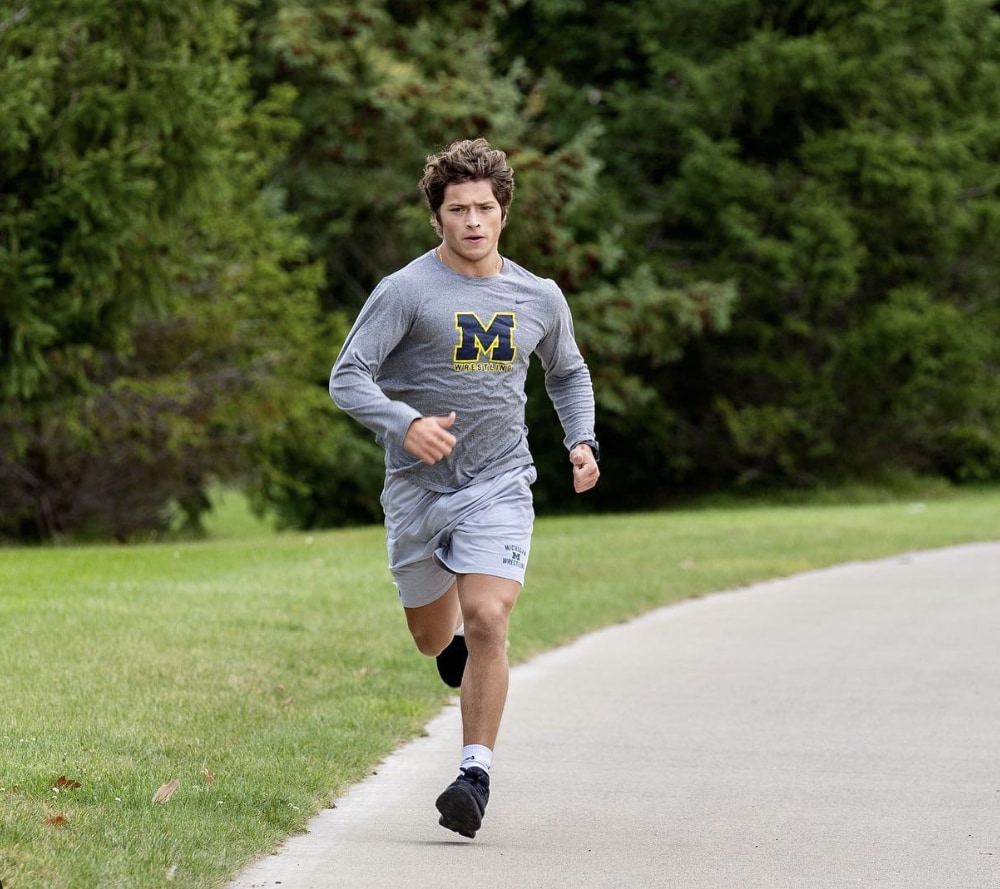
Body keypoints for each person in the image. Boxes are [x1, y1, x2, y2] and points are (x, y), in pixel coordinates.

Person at [329, 137, 599, 839]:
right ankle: (447, 641)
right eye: (458, 210)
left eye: (484, 207)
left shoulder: (538, 296)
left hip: (499, 480)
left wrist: (581, 438)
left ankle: (473, 774)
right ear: (438, 218)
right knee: (431, 638)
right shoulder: (406, 291)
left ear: (503, 211)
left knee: (487, 617)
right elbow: (348, 375)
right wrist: (404, 420)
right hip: (417, 490)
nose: (473, 221)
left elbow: (567, 372)